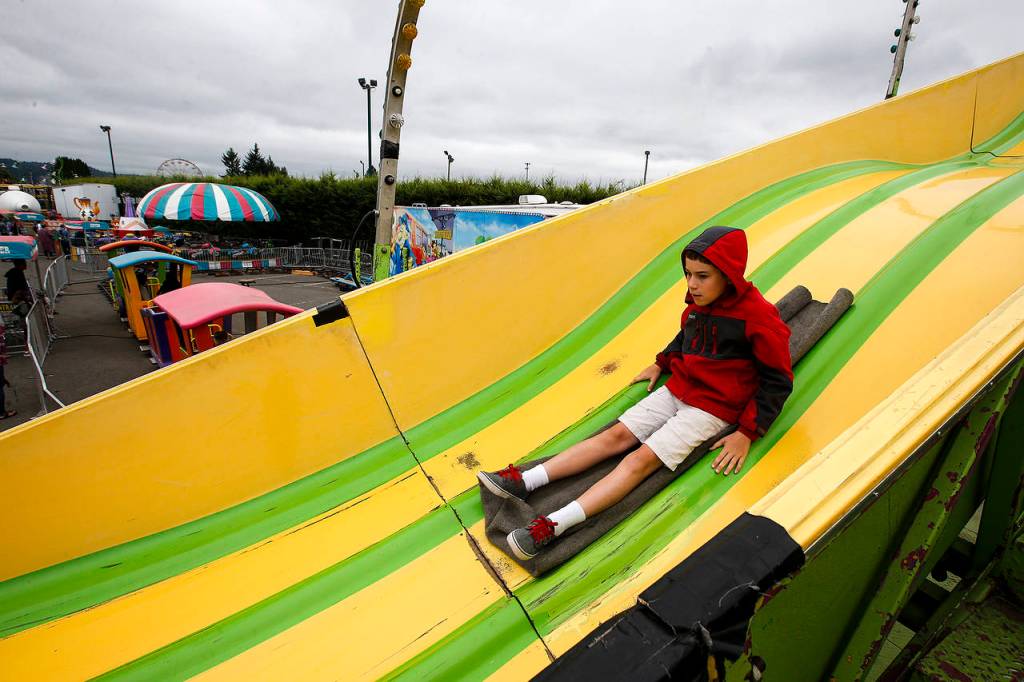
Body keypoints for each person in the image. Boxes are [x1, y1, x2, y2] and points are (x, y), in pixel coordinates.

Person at [477, 226, 794, 560]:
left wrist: (747, 432)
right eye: (688, 274)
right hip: (679, 388)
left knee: (640, 460)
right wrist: (662, 362)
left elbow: (778, 379)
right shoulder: (700, 303)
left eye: (703, 276)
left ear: (728, 275)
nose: (692, 285)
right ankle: (525, 482)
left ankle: (553, 525)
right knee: (614, 436)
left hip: (712, 407)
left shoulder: (758, 318)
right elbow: (686, 335)